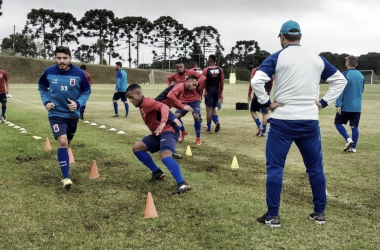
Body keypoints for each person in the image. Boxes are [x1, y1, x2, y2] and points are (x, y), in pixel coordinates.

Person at [251, 20, 347, 227]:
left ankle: (273, 216)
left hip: (283, 121)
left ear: (282, 37)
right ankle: (319, 213)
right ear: (300, 37)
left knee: (275, 167)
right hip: (309, 121)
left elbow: (257, 81)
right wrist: (323, 103)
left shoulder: (277, 57)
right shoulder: (316, 58)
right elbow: (341, 80)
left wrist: (266, 103)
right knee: (315, 168)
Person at [38, 46, 91, 188]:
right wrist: (47, 101)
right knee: (62, 141)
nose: (62, 61)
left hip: (73, 115)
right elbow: (42, 87)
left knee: (67, 142)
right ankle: (66, 177)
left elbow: (86, 91)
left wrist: (78, 103)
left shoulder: (80, 74)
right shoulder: (49, 72)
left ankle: (64, 164)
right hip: (56, 114)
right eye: (59, 58)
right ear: (55, 58)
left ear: (70, 58)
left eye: (65, 58)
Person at [127, 83, 191, 195]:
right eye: (128, 98)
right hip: (158, 133)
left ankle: (183, 184)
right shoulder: (142, 104)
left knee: (165, 156)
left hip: (169, 130)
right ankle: (157, 173)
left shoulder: (147, 102)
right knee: (137, 148)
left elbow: (164, 107)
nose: (130, 100)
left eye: (131, 97)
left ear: (139, 93)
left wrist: (163, 121)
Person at [167, 62, 204, 145]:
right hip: (183, 101)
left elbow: (202, 77)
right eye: (178, 67)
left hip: (194, 100)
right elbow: (168, 79)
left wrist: (198, 87)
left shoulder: (190, 73)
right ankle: (183, 131)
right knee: (176, 117)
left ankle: (198, 138)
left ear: (184, 67)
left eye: (181, 67)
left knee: (196, 117)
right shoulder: (175, 76)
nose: (179, 68)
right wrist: (169, 87)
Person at [334, 55, 365, 153]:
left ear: (347, 63)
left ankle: (348, 139)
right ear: (356, 64)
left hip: (346, 106)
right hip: (357, 106)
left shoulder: (344, 75)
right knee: (354, 126)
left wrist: (338, 104)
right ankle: (353, 148)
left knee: (337, 123)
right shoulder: (361, 76)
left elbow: (340, 91)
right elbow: (362, 90)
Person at [248, 57, 274, 137]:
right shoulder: (270, 71)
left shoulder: (255, 70)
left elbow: (252, 83)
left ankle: (259, 126)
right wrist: (268, 92)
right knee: (265, 114)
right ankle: (263, 132)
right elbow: (271, 82)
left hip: (257, 95)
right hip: (265, 95)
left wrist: (249, 94)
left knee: (253, 111)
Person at [201, 55, 224, 134]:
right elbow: (222, 83)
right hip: (216, 92)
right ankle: (217, 122)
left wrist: (200, 93)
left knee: (208, 111)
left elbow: (202, 83)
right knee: (214, 109)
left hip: (209, 92)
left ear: (210, 60)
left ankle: (208, 129)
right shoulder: (220, 69)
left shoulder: (206, 70)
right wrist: (220, 94)